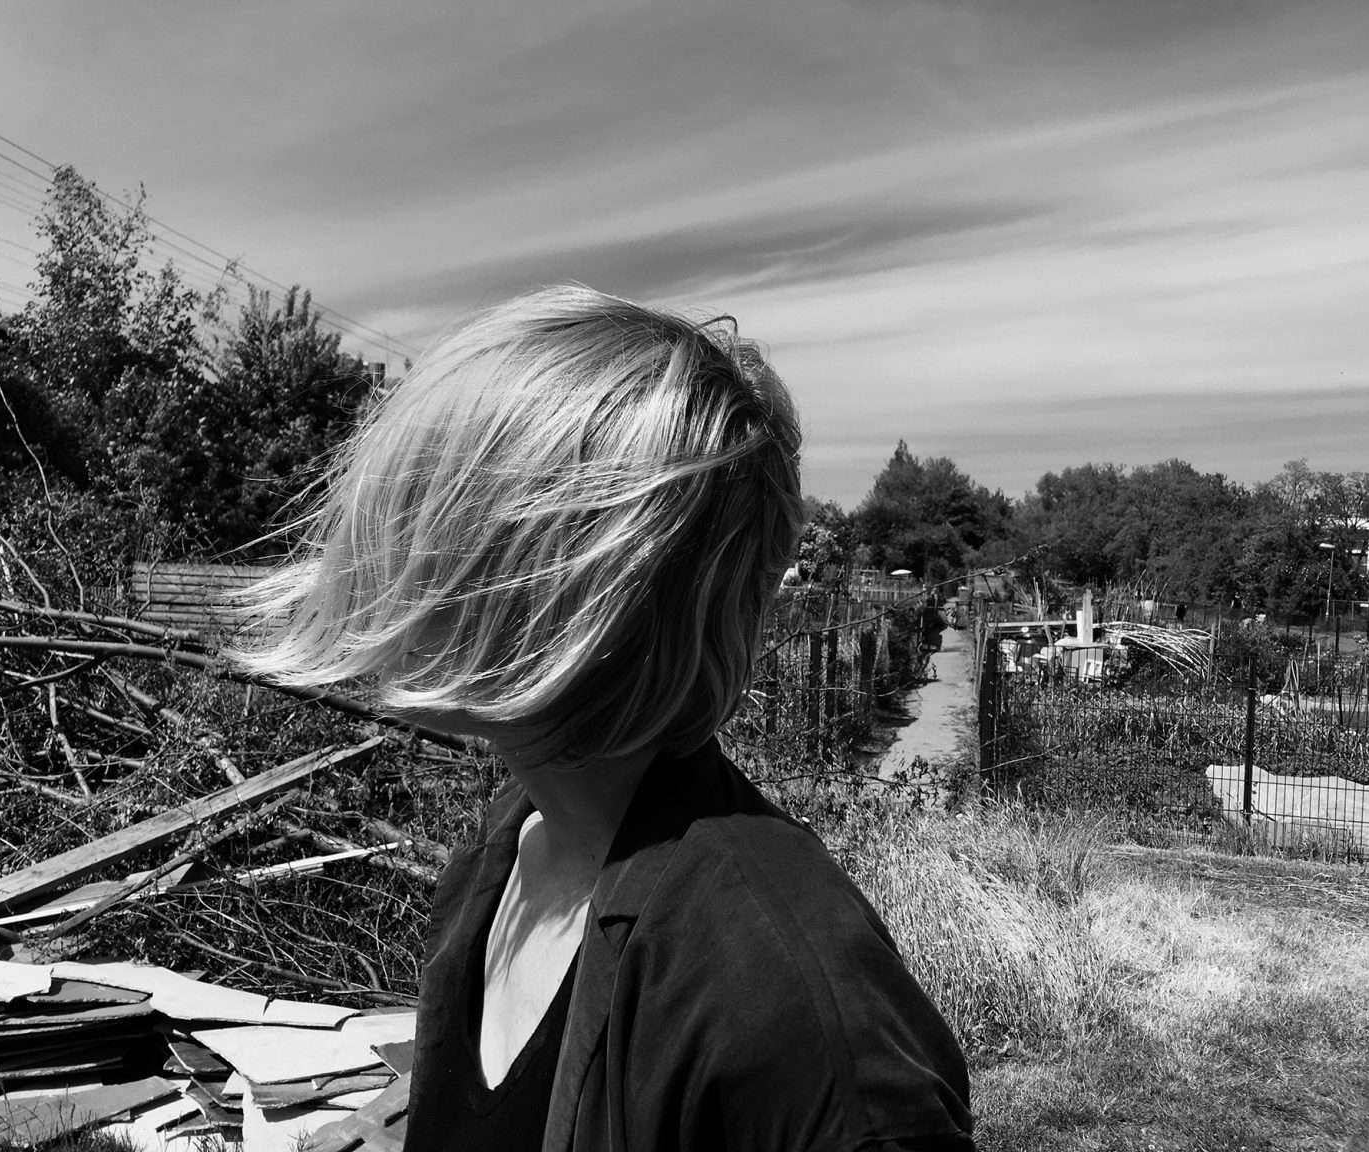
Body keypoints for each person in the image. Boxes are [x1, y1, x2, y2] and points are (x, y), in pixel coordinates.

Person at [234, 286, 975, 1151]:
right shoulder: (501, 857)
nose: (376, 575)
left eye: (423, 534)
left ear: (551, 590)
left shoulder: (785, 1003)